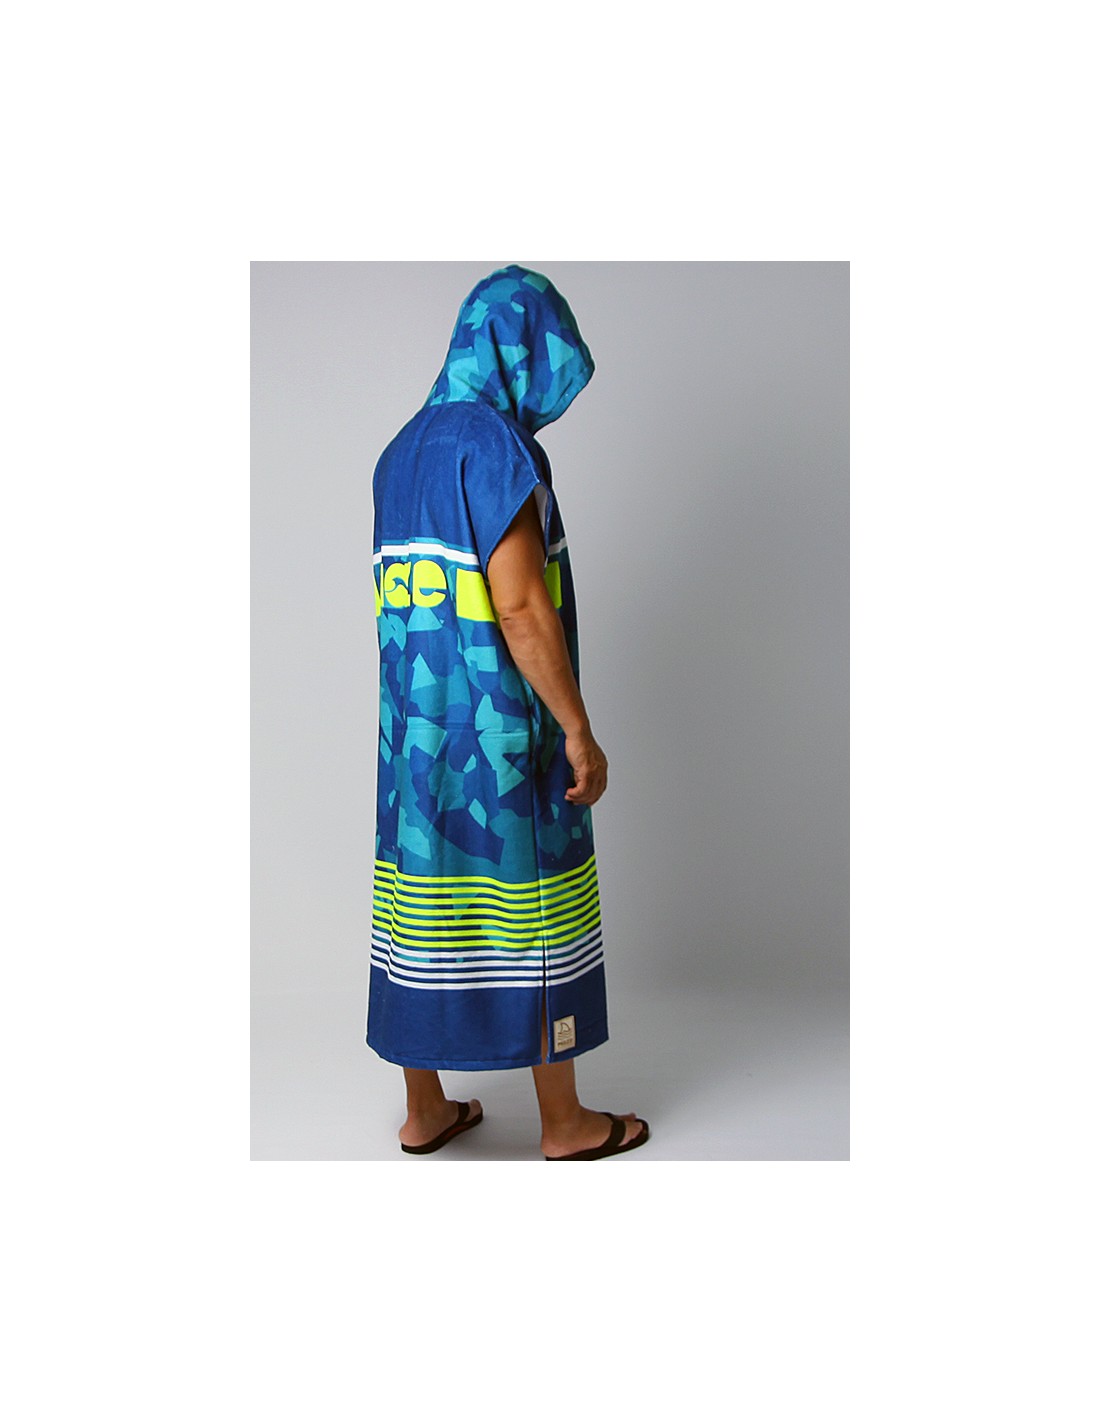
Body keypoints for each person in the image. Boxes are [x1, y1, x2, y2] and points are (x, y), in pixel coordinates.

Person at [366, 264, 649, 1161]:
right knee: (536, 913)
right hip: (499, 740)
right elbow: (520, 605)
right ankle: (565, 1123)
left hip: (413, 743)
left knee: (419, 908)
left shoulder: (399, 454)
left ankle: (425, 1110)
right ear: (519, 350)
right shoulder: (494, 449)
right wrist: (578, 730)